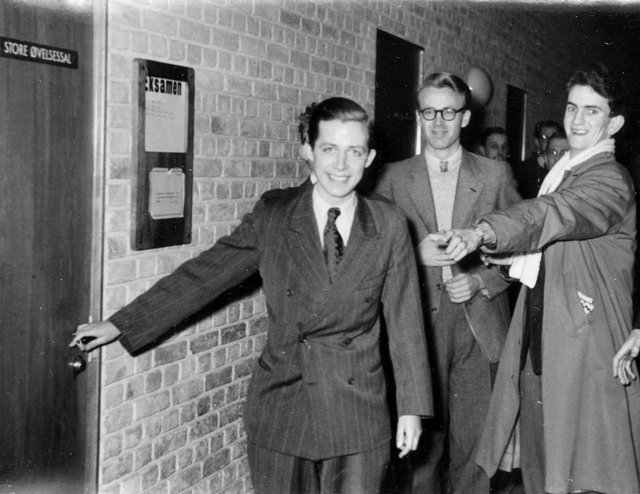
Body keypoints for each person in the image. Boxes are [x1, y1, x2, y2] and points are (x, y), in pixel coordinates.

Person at [71, 97, 434, 494]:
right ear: (308, 151)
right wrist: (122, 323)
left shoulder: (389, 224)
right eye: (330, 149)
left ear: (370, 158)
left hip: (358, 410)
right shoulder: (275, 216)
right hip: (284, 404)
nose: (341, 165)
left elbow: (406, 321)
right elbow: (205, 275)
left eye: (355, 152)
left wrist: (412, 409)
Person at [433, 63, 640, 494]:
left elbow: (553, 214)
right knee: (542, 474)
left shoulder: (609, 179)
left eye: (592, 111)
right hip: (540, 346)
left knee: (585, 475)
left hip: (587, 349)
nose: (577, 120)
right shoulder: (566, 171)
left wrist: (482, 232)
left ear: (614, 123)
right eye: (572, 107)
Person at [375, 72, 520, 494]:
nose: (438, 122)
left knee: (475, 450)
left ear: (466, 117)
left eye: (449, 112)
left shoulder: (495, 175)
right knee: (420, 453)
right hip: (418, 325)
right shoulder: (391, 178)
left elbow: (523, 251)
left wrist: (480, 281)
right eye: (429, 112)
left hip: (479, 327)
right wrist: (413, 254)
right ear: (419, 115)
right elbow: (372, 254)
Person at [513, 120, 563, 198]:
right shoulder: (524, 169)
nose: (549, 141)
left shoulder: (567, 166)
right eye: (544, 138)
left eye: (554, 136)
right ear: (537, 142)